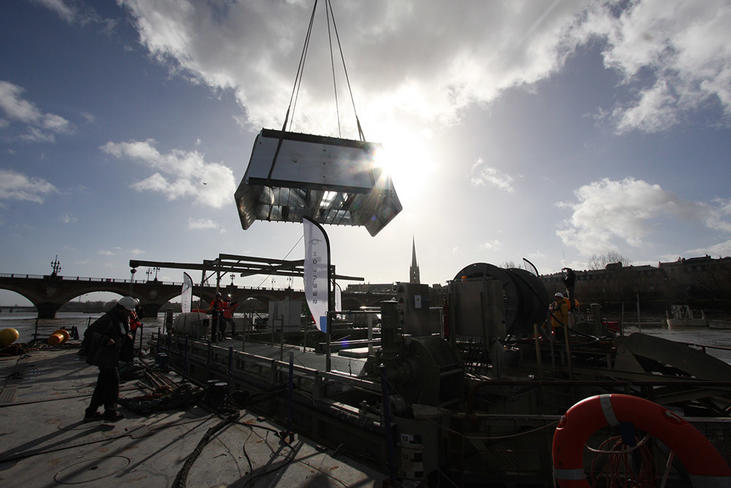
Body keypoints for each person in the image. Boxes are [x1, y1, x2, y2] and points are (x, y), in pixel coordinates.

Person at [83, 296, 137, 422]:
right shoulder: (108, 318)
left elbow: (122, 334)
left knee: (102, 385)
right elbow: (89, 332)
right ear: (121, 308)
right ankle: (110, 411)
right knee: (113, 384)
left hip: (112, 356)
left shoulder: (122, 319)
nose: (130, 312)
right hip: (105, 357)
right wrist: (105, 340)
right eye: (128, 310)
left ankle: (91, 411)